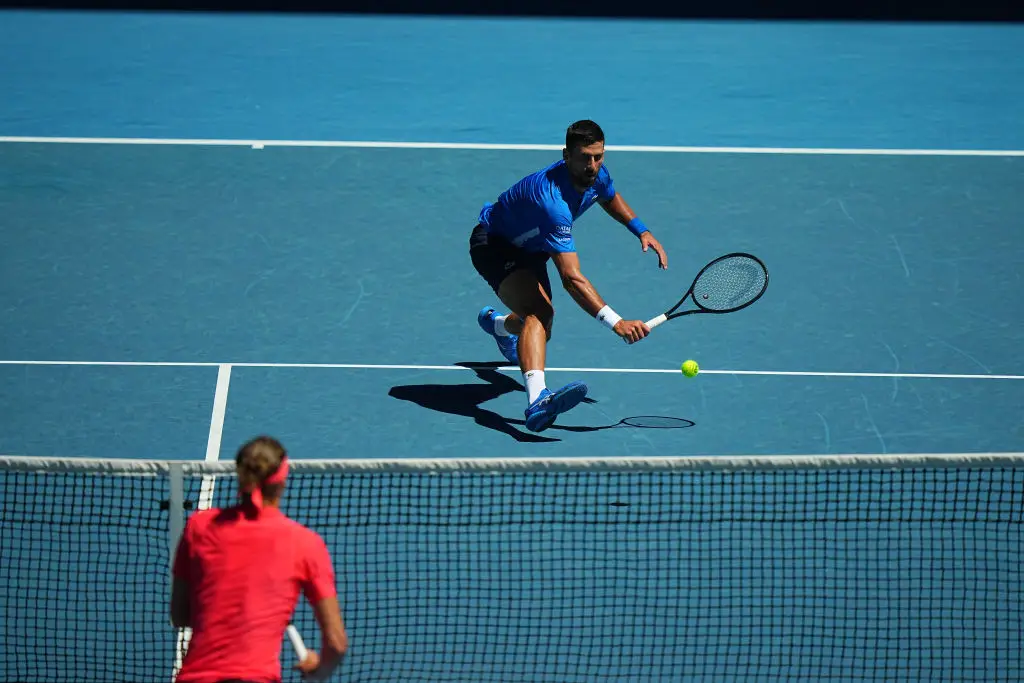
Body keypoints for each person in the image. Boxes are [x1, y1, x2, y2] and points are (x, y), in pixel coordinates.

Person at [469, 120, 669, 432]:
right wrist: (617, 323)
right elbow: (572, 279)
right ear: (566, 155)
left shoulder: (596, 174)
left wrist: (640, 229)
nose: (593, 165)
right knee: (538, 313)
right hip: (496, 244)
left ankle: (497, 325)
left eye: (598, 157)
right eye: (585, 157)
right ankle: (538, 401)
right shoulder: (553, 205)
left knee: (541, 326)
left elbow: (609, 196)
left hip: (532, 245)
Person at [171, 436, 347, 683]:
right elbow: (336, 643)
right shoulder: (305, 544)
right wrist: (319, 670)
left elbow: (180, 614)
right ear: (282, 483)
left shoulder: (198, 527)